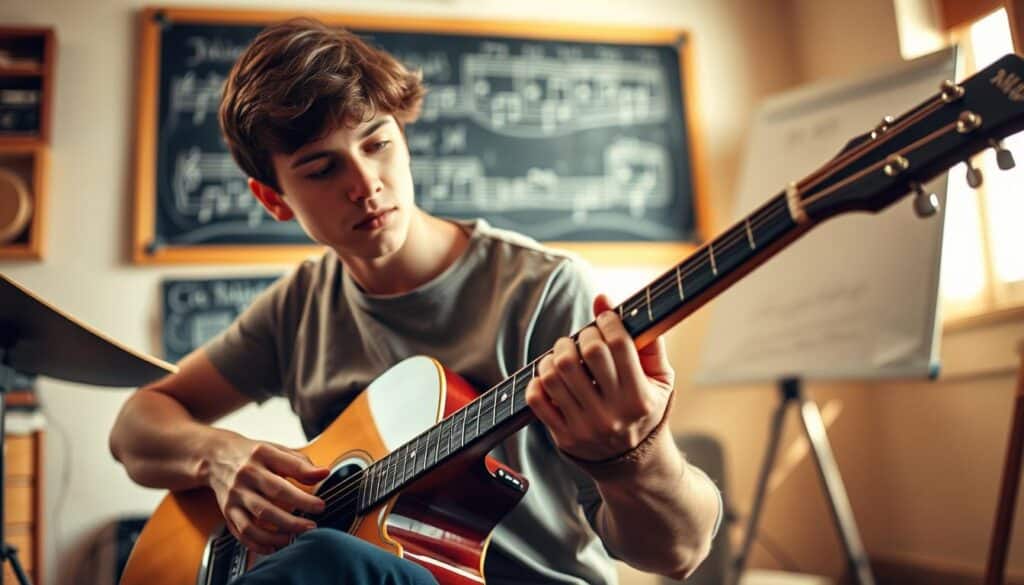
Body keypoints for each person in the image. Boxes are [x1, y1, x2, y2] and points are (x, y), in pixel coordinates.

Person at [109, 17, 721, 585]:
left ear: (403, 137)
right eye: (321, 169)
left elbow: (679, 554)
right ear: (274, 200)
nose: (364, 184)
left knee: (327, 559)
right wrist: (218, 457)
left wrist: (633, 458)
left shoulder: (543, 291)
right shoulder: (299, 306)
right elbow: (137, 425)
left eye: (377, 143)